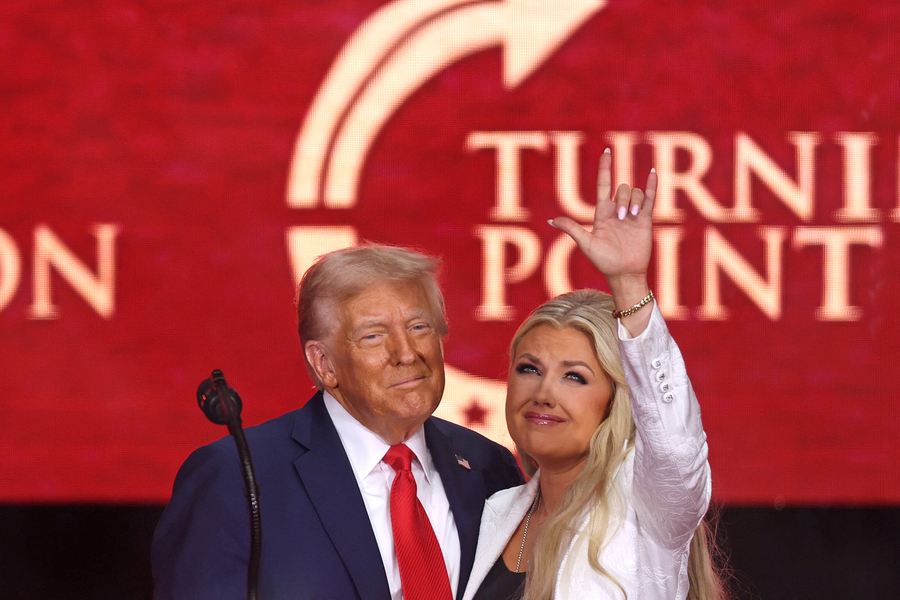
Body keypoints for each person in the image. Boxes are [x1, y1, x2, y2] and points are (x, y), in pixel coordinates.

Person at [152, 245, 524, 600]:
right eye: (373, 336)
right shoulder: (236, 477)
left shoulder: (490, 467)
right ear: (324, 364)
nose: (407, 353)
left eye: (419, 327)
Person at [463, 149, 726, 600]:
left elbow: (676, 447)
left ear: (616, 399)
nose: (543, 392)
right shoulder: (494, 513)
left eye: (575, 377)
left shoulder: (645, 506)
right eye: (529, 369)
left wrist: (628, 284)